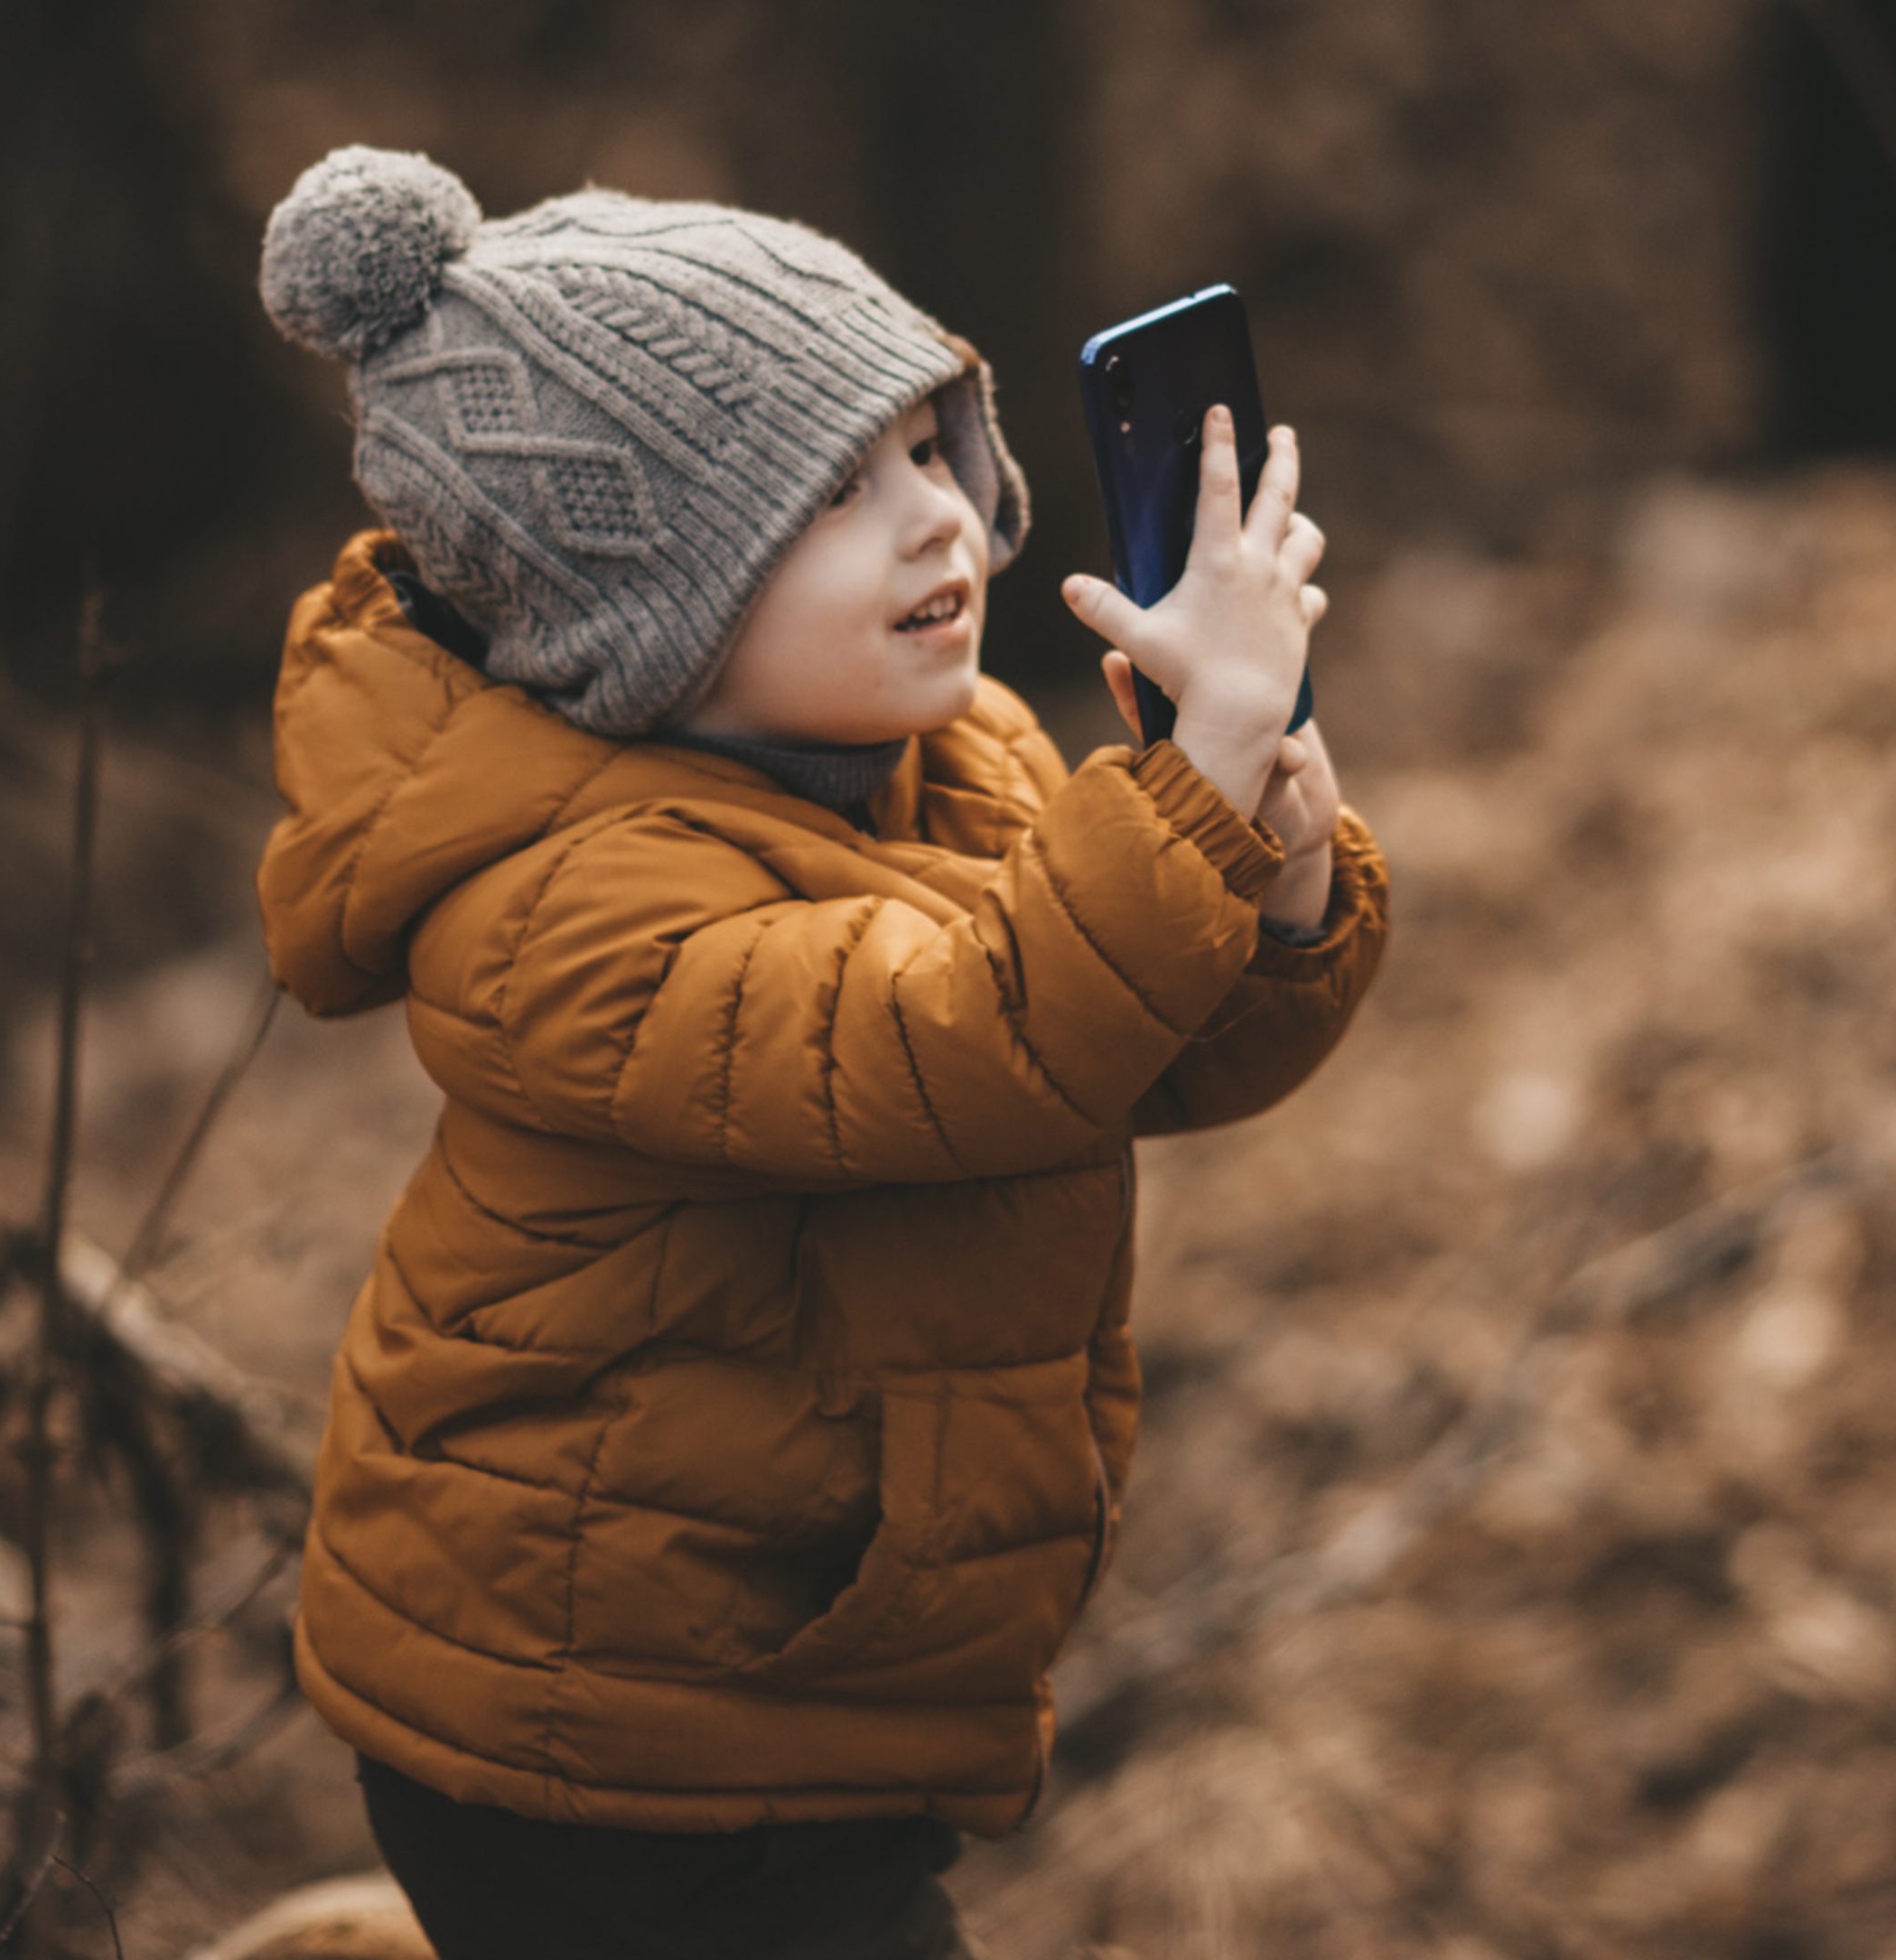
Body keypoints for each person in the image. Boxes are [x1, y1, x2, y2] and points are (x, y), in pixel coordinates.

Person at [252, 144, 1390, 1960]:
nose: (937, 517)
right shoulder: (571, 906)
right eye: (831, 496)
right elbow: (958, 1038)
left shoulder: (975, 760)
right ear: (641, 614)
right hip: (585, 1732)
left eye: (928, 450)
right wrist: (1177, 805)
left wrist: (1273, 856)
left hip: (786, 1672)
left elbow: (1128, 1046)